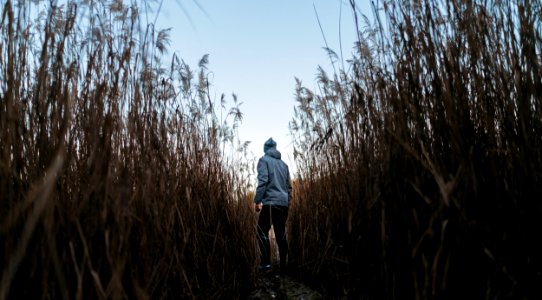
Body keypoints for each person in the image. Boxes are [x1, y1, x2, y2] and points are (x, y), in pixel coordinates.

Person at [254, 138, 292, 274]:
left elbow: (263, 181)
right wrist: (288, 204)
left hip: (270, 203)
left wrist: (257, 201)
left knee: (261, 232)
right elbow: (289, 188)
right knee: (281, 234)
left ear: (265, 148)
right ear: (275, 148)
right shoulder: (284, 165)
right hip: (283, 204)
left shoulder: (263, 161)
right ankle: (284, 266)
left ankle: (266, 265)